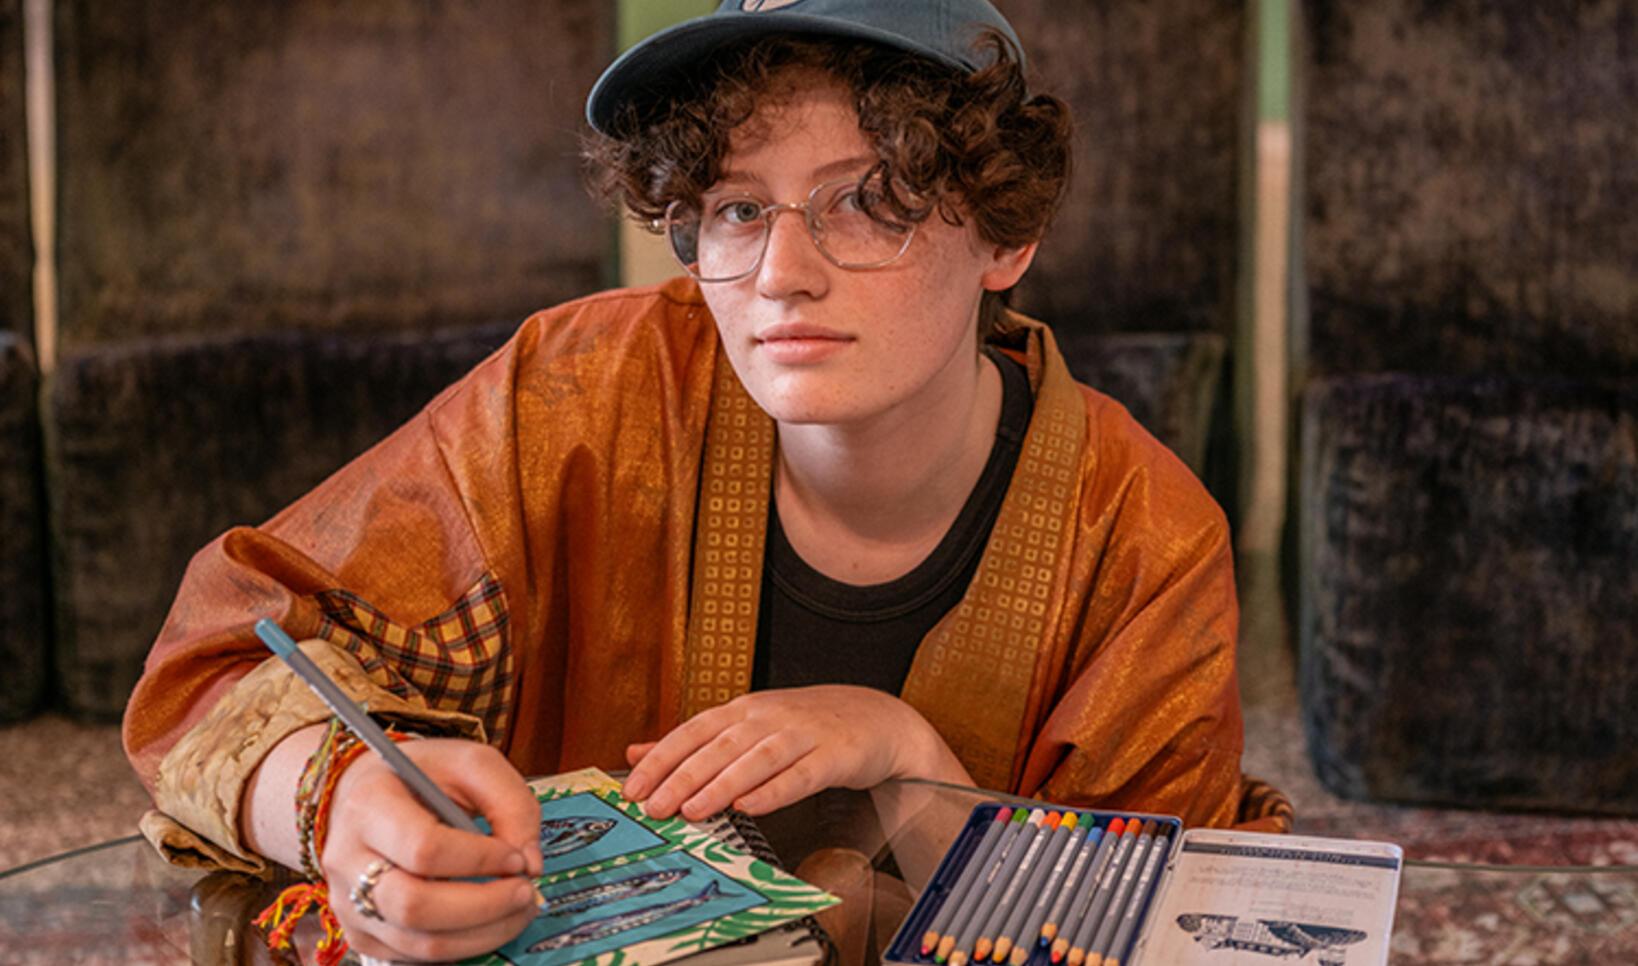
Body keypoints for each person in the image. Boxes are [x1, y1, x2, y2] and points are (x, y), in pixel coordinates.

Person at [122, 1, 1274, 961]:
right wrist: (350, 813)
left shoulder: (1144, 537)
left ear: (1007, 238)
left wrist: (908, 757)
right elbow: (218, 666)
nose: (781, 272)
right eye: (736, 208)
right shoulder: (575, 394)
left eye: (867, 199)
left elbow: (1162, 935)